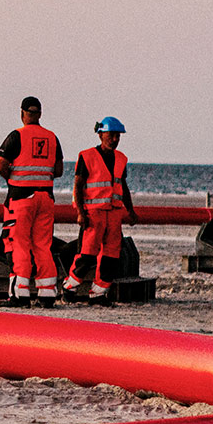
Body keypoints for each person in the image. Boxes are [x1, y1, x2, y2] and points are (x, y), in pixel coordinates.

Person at [0, 96, 63, 305]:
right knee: (43, 244)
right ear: (40, 114)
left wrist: (14, 178)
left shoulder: (16, 136)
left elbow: (0, 166)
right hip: (45, 198)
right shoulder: (52, 137)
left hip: (21, 198)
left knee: (18, 243)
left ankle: (19, 293)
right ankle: (47, 292)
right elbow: (58, 170)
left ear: (23, 113)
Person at [71, 117, 141, 300]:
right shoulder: (86, 156)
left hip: (114, 214)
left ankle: (99, 292)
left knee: (111, 255)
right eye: (111, 135)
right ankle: (70, 285)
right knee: (87, 254)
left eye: (118, 136)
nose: (115, 139)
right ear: (101, 134)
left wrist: (130, 211)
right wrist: (80, 212)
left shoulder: (121, 159)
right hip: (93, 214)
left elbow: (123, 187)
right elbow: (77, 186)